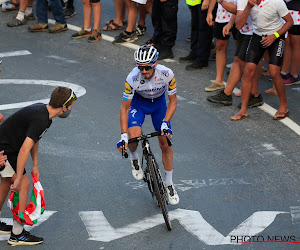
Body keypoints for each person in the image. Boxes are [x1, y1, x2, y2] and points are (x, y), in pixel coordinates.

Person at [0, 86, 77, 245]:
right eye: (70, 107)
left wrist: (35, 165)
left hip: (7, 147)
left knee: (7, 181)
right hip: (5, 150)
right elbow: (23, 150)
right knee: (23, 185)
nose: (70, 110)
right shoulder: (42, 119)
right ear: (63, 107)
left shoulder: (45, 115)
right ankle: (17, 234)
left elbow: (34, 139)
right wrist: (20, 179)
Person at [117, 45, 179, 205]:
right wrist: (123, 135)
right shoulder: (132, 78)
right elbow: (124, 108)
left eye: (147, 67)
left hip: (159, 105)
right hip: (138, 105)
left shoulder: (167, 73)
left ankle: (169, 183)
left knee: (165, 143)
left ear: (155, 64)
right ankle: (134, 157)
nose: (143, 71)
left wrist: (165, 123)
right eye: (140, 67)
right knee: (134, 137)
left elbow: (173, 101)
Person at [231, 0, 293, 121]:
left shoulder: (276, 2)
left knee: (274, 72)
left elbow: (290, 22)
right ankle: (243, 110)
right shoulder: (246, 2)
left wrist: (274, 36)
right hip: (257, 36)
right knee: (248, 71)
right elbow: (238, 25)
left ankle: (284, 107)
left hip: (276, 36)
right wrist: (248, 7)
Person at [207, 0, 264, 108]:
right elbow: (239, 9)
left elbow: (239, 10)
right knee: (238, 60)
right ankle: (227, 94)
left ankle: (254, 94)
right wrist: (230, 23)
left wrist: (222, 2)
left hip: (254, 31)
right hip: (245, 30)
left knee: (252, 62)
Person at [179, 0, 214, 69]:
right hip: (196, 2)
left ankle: (202, 59)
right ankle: (194, 53)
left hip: (205, 2)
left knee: (204, 30)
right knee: (195, 26)